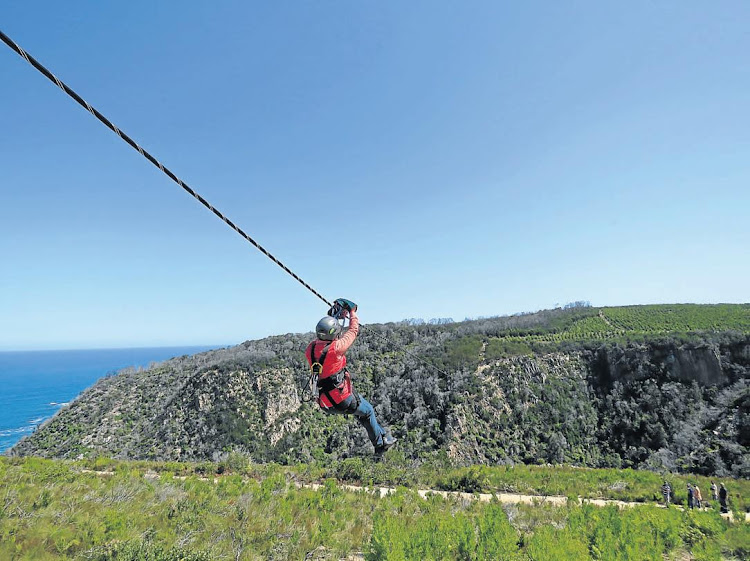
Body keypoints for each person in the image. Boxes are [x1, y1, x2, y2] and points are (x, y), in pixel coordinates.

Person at [305, 299, 396, 455]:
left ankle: (383, 437)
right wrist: (352, 312)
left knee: (362, 413)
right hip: (341, 399)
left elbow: (326, 333)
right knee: (368, 411)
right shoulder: (336, 348)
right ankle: (380, 446)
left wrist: (335, 316)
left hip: (324, 402)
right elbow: (353, 331)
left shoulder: (310, 348)